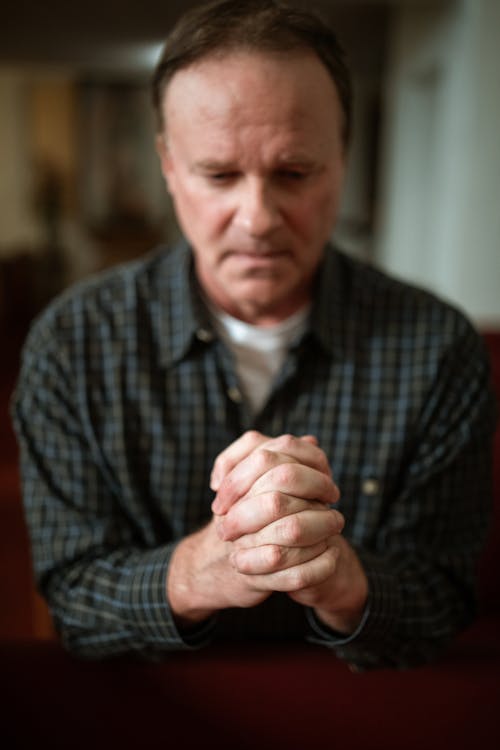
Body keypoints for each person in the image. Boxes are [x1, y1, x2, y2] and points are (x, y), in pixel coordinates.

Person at [12, 0, 496, 670]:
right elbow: (71, 600)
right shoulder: (72, 346)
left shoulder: (438, 348)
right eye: (219, 175)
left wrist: (345, 583)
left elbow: (443, 602)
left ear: (343, 160)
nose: (258, 218)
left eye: (294, 173)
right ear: (168, 166)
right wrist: (201, 571)